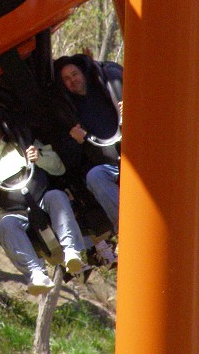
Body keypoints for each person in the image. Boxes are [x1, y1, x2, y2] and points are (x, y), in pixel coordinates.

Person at [0, 110, 89, 295]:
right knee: (5, 225)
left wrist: (40, 158)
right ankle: (36, 273)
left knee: (57, 196)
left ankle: (72, 251)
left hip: (41, 199)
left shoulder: (21, 144)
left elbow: (59, 168)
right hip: (12, 213)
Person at [52, 54, 121, 267]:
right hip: (109, 165)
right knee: (94, 176)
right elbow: (70, 160)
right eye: (67, 79)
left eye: (74, 74)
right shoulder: (70, 111)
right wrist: (77, 141)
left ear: (83, 73)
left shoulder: (106, 88)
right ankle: (125, 227)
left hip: (136, 155)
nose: (73, 80)